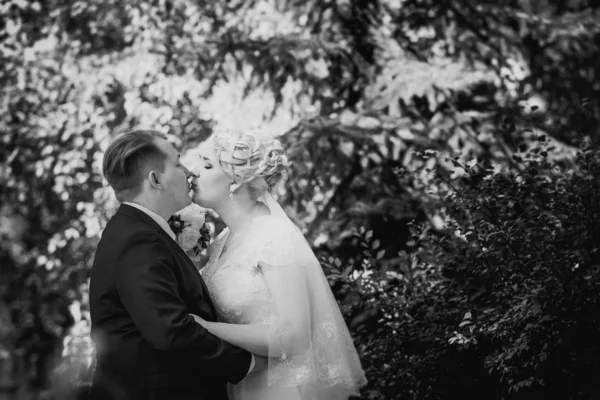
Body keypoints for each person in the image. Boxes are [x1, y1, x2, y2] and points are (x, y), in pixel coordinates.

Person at [190, 130, 367, 400]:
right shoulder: (221, 241)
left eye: (207, 164)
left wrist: (204, 327)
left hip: (281, 389)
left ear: (236, 181)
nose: (193, 172)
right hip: (243, 384)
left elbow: (295, 336)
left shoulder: (274, 237)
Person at [89, 129, 265, 400]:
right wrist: (248, 364)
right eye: (178, 163)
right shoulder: (138, 238)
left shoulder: (136, 230)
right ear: (156, 179)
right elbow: (170, 330)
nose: (189, 172)